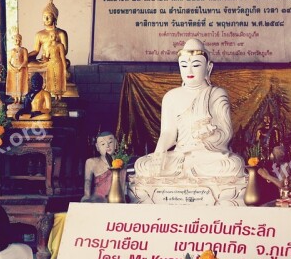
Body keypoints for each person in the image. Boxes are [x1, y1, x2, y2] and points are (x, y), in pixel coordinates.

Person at [133, 38, 245, 180]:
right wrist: (159, 153)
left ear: (208, 68)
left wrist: (208, 134)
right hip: (180, 155)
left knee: (233, 165)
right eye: (184, 65)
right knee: (142, 165)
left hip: (207, 156)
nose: (189, 71)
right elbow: (168, 133)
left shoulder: (216, 94)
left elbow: (226, 133)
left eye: (196, 65)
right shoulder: (171, 96)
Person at [82, 131, 118, 202]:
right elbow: (87, 181)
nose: (107, 146)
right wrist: (87, 195)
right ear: (97, 147)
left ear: (116, 144)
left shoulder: (121, 162)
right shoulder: (91, 162)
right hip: (98, 198)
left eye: (110, 142)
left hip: (116, 197)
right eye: (103, 144)